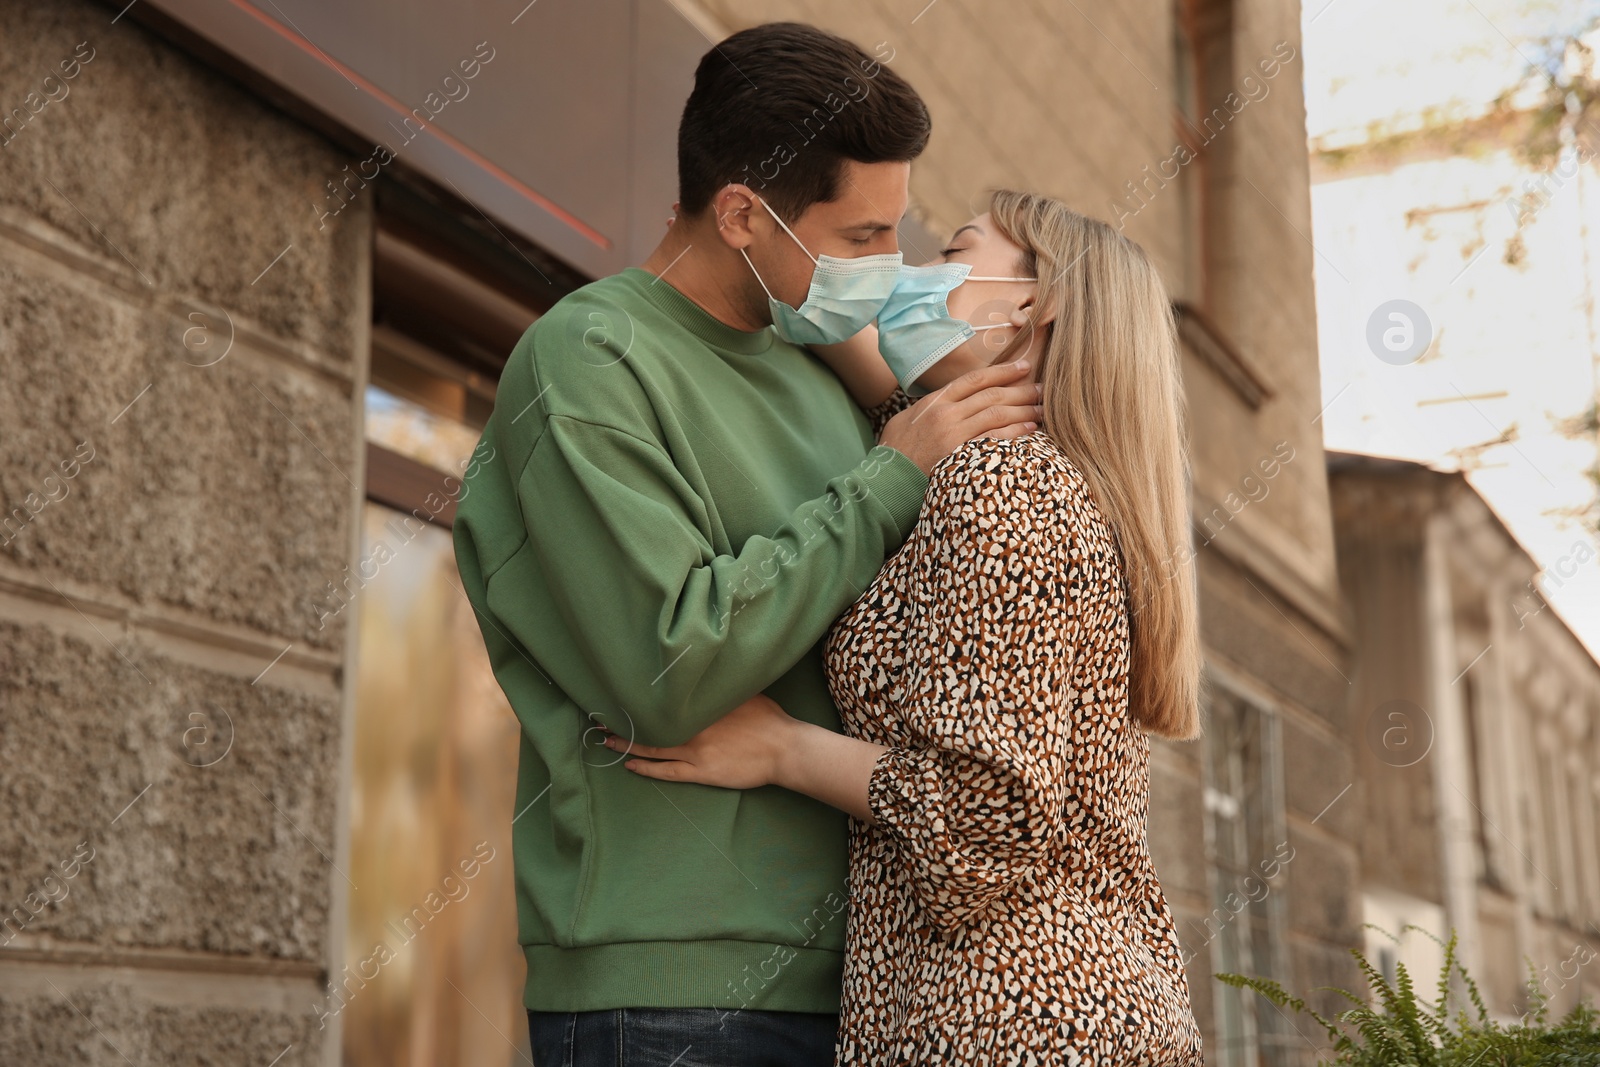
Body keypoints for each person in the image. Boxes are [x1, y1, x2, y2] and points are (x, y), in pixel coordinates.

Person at [451, 22, 1045, 1067]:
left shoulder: (826, 368)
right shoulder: (587, 361)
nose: (889, 266)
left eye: (898, 231)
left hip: (870, 972)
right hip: (667, 984)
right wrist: (889, 475)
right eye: (862, 238)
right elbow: (667, 668)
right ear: (740, 214)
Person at [611, 190, 1207, 1065]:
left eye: (947, 253)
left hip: (1023, 1019)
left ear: (1031, 305)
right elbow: (874, 365)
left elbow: (987, 813)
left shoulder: (1005, 485)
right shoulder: (984, 469)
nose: (909, 277)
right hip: (1042, 1009)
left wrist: (783, 748)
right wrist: (763, 249)